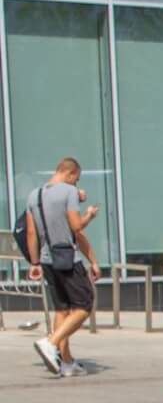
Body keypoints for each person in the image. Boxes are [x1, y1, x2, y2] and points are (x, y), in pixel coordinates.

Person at [23, 156, 101, 377]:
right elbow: (76, 227)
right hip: (67, 257)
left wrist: (35, 262)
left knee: (62, 309)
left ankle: (65, 362)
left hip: (46, 260)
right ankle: (51, 342)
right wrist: (89, 215)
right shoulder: (68, 192)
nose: (75, 184)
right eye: (75, 179)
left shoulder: (33, 195)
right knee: (84, 304)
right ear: (70, 173)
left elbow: (31, 232)